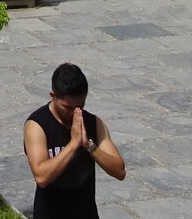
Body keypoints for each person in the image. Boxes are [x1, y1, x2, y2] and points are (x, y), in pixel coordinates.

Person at [23, 61, 126, 218]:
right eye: (68, 107)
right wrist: (73, 144)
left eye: (80, 106)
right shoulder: (37, 125)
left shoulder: (93, 123)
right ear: (53, 96)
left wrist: (90, 146)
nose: (75, 113)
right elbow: (41, 177)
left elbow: (119, 171)